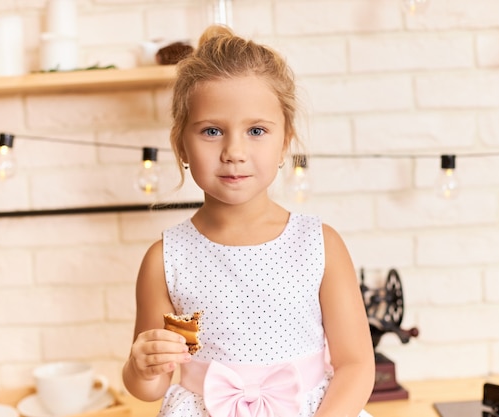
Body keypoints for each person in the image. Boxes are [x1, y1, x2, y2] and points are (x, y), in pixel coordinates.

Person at [122, 25, 375, 417]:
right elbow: (152, 387)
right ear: (181, 146)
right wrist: (141, 364)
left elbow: (356, 365)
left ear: (284, 142)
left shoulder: (320, 244)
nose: (234, 151)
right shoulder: (165, 259)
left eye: (256, 130)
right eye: (212, 131)